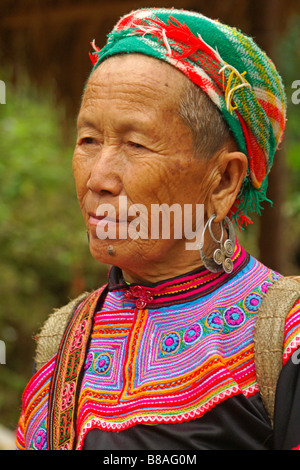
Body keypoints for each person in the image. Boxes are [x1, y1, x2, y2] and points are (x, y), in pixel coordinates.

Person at [16, 8, 300, 450]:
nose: (98, 178)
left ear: (223, 180)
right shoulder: (62, 339)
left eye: (135, 144)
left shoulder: (283, 339)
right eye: (88, 140)